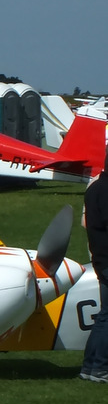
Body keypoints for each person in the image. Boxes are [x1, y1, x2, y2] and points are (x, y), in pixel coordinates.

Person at [81, 154, 108, 383]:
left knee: (104, 316)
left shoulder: (94, 189)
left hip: (100, 258)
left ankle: (89, 366)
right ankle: (100, 368)